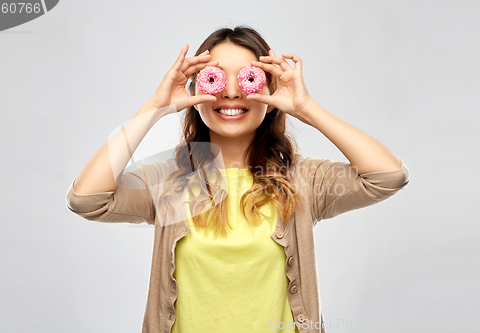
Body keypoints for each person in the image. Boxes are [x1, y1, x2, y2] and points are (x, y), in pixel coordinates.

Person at [66, 26, 410, 333]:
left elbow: (388, 176)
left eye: (246, 78)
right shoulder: (168, 181)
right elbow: (88, 199)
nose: (231, 92)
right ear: (193, 95)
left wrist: (306, 108)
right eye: (215, 78)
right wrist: (155, 106)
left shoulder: (303, 179)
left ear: (270, 95)